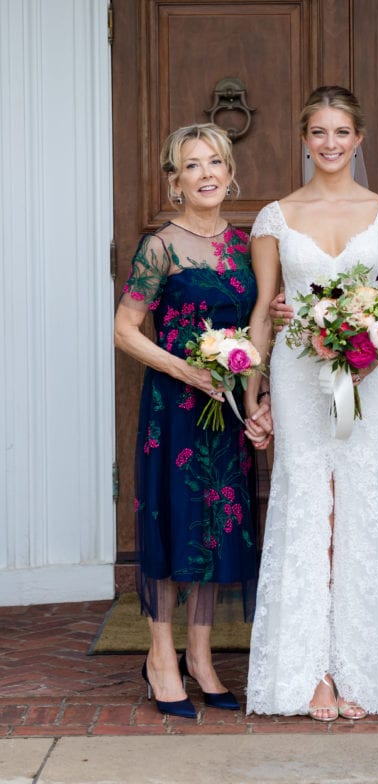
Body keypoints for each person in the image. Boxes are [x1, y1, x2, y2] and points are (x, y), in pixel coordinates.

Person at [242, 86, 378, 721]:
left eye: (341, 132)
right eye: (318, 133)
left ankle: (360, 665)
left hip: (364, 375)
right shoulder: (274, 217)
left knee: (356, 500)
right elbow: (264, 310)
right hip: (298, 376)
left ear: (359, 139)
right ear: (304, 139)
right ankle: (311, 669)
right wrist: (252, 394)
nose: (329, 144)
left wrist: (368, 337)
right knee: (305, 501)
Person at [114, 123, 271, 719]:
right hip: (175, 412)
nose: (206, 174)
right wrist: (186, 370)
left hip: (225, 411)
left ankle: (201, 658)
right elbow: (124, 330)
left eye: (215, 163)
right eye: (191, 165)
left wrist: (252, 398)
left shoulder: (245, 245)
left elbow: (258, 326)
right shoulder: (161, 247)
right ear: (174, 180)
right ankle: (161, 657)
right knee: (175, 524)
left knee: (214, 529)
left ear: (231, 173)